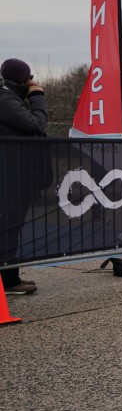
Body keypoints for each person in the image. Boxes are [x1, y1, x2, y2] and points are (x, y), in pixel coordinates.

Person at [0, 58, 48, 295]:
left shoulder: (10, 97)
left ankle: (10, 277)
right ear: (23, 79)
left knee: (11, 227)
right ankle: (8, 281)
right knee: (9, 227)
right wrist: (37, 97)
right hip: (10, 177)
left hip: (14, 175)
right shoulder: (5, 98)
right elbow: (37, 125)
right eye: (29, 78)